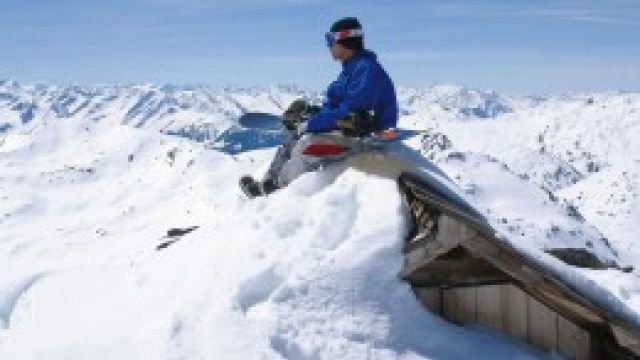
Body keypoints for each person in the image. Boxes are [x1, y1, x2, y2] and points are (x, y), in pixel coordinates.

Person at [240, 17, 398, 198]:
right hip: (349, 131)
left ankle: (278, 192)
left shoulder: (367, 71)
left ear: (345, 41)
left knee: (307, 146)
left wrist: (312, 125)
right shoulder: (352, 69)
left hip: (365, 138)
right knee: (292, 141)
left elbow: (350, 111)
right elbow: (336, 105)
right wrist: (312, 116)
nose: (329, 46)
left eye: (331, 41)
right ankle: (268, 183)